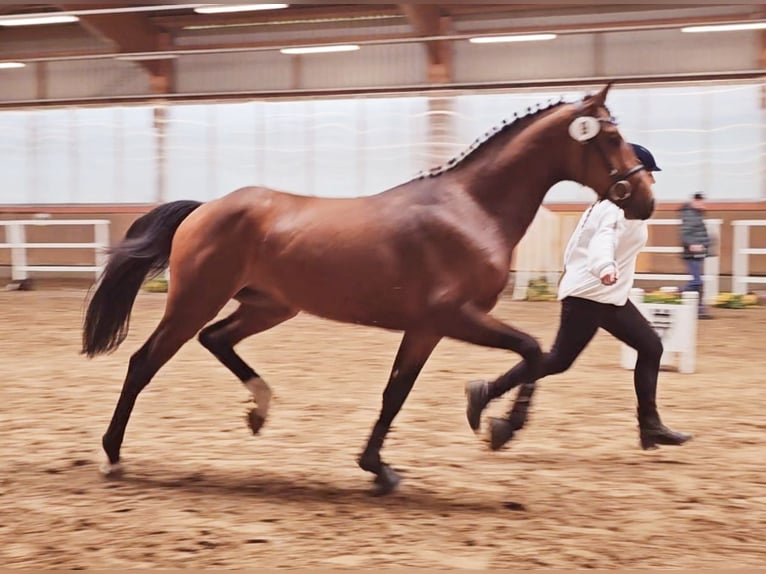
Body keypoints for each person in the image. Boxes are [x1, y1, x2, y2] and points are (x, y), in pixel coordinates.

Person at [465, 143, 692, 452]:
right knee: (559, 360)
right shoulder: (612, 209)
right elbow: (603, 242)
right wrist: (605, 267)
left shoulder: (621, 206)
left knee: (651, 347)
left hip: (608, 296)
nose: (653, 181)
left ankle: (650, 426)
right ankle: (489, 392)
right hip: (589, 294)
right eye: (650, 173)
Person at [680, 192, 713, 319]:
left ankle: (700, 309)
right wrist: (692, 244)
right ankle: (679, 292)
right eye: (701, 202)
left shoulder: (695, 213)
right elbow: (686, 232)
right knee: (697, 281)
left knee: (698, 282)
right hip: (692, 253)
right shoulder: (690, 214)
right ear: (695, 201)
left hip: (698, 253)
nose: (703, 204)